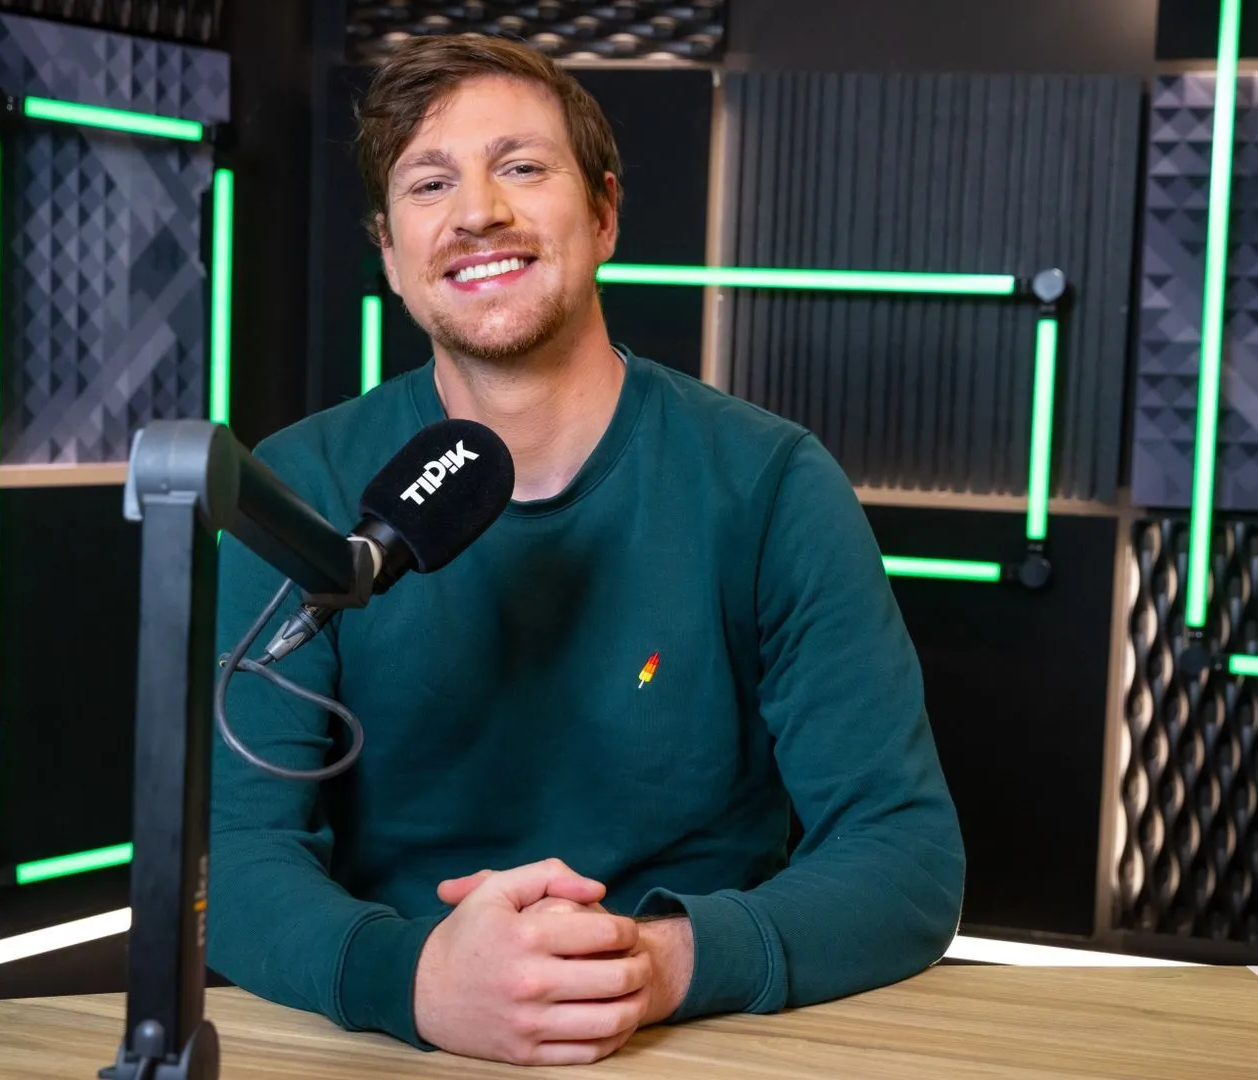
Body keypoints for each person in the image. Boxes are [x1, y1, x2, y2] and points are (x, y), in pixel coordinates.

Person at [207, 33, 966, 1067]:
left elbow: (907, 860)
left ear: (604, 213)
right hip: (395, 1046)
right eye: (430, 183)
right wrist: (417, 980)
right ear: (389, 251)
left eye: (521, 167)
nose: (478, 211)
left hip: (695, 1042)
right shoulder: (300, 491)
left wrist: (651, 965)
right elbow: (237, 865)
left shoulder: (771, 483)